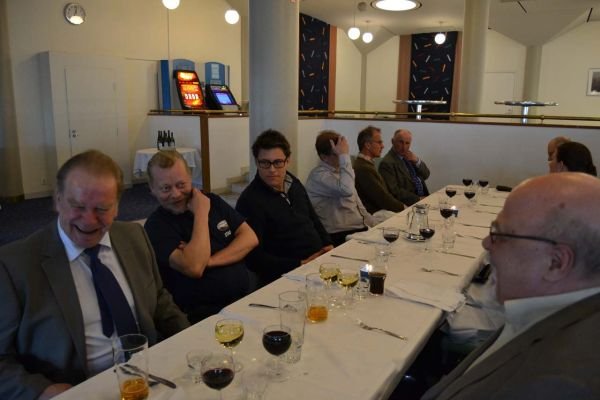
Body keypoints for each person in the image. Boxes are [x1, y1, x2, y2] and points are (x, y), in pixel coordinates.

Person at [0, 150, 189, 400]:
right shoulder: (15, 265)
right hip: (76, 391)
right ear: (57, 200)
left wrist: (191, 342)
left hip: (149, 378)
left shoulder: (133, 236)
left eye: (101, 208)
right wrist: (43, 390)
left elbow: (160, 300)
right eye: (78, 206)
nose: (89, 220)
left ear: (117, 207)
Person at [422, 172, 600, 400]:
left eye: (500, 234)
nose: (486, 244)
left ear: (555, 263)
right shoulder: (538, 311)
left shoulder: (557, 381)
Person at [144, 150, 258, 323]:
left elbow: (250, 238)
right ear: (152, 189)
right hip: (202, 316)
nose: (175, 194)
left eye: (181, 184)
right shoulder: (156, 226)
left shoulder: (212, 200)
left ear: (190, 179)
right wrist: (201, 213)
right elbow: (195, 267)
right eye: (166, 188)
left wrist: (209, 261)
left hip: (244, 299)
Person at [236, 129, 333, 287]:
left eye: (278, 162)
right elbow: (253, 257)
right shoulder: (250, 201)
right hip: (287, 275)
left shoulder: (293, 183)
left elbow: (313, 217)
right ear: (256, 162)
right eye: (265, 163)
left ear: (288, 161)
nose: (272, 169)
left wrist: (328, 244)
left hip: (317, 263)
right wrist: (299, 264)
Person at [305, 130, 376, 247]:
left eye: (343, 151)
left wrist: (375, 226)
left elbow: (358, 206)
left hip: (359, 229)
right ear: (324, 157)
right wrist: (344, 156)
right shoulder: (318, 176)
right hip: (339, 235)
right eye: (337, 153)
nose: (342, 156)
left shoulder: (342, 172)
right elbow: (347, 190)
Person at [353, 125, 405, 214]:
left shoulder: (365, 164)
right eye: (379, 142)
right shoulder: (363, 168)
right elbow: (383, 199)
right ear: (368, 145)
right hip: (374, 215)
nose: (382, 146)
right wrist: (404, 208)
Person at [379, 128, 430, 206]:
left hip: (425, 198)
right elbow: (395, 191)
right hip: (409, 203)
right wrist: (418, 199)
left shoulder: (410, 157)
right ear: (392, 141)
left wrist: (417, 160)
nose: (404, 147)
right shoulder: (387, 163)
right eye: (401, 142)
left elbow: (426, 174)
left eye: (407, 143)